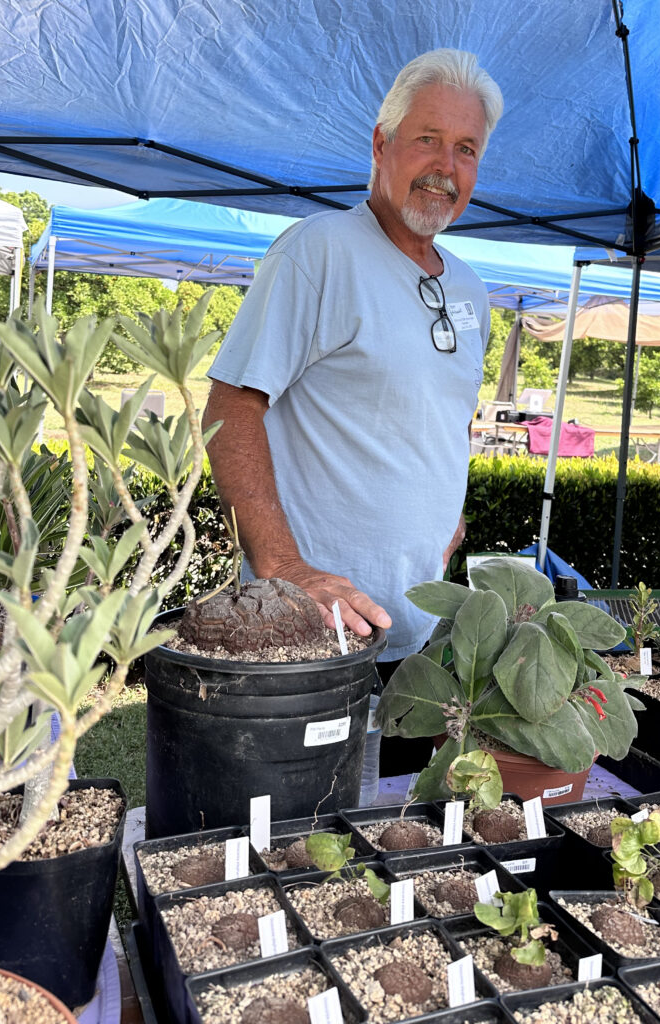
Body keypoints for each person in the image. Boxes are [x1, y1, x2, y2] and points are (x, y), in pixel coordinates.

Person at [202, 50, 503, 767]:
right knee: (295, 846)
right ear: (380, 143)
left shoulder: (471, 289)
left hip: (417, 633)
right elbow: (231, 406)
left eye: (465, 149)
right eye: (427, 138)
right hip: (310, 636)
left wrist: (449, 519)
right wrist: (284, 568)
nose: (444, 166)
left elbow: (444, 413)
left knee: (389, 840)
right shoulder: (319, 252)